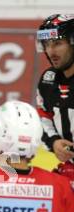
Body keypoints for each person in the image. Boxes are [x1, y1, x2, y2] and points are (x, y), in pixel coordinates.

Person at [35, 14, 74, 186]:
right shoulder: (48, 79)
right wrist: (54, 142)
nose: (51, 51)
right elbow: (43, 116)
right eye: (47, 44)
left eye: (57, 43)